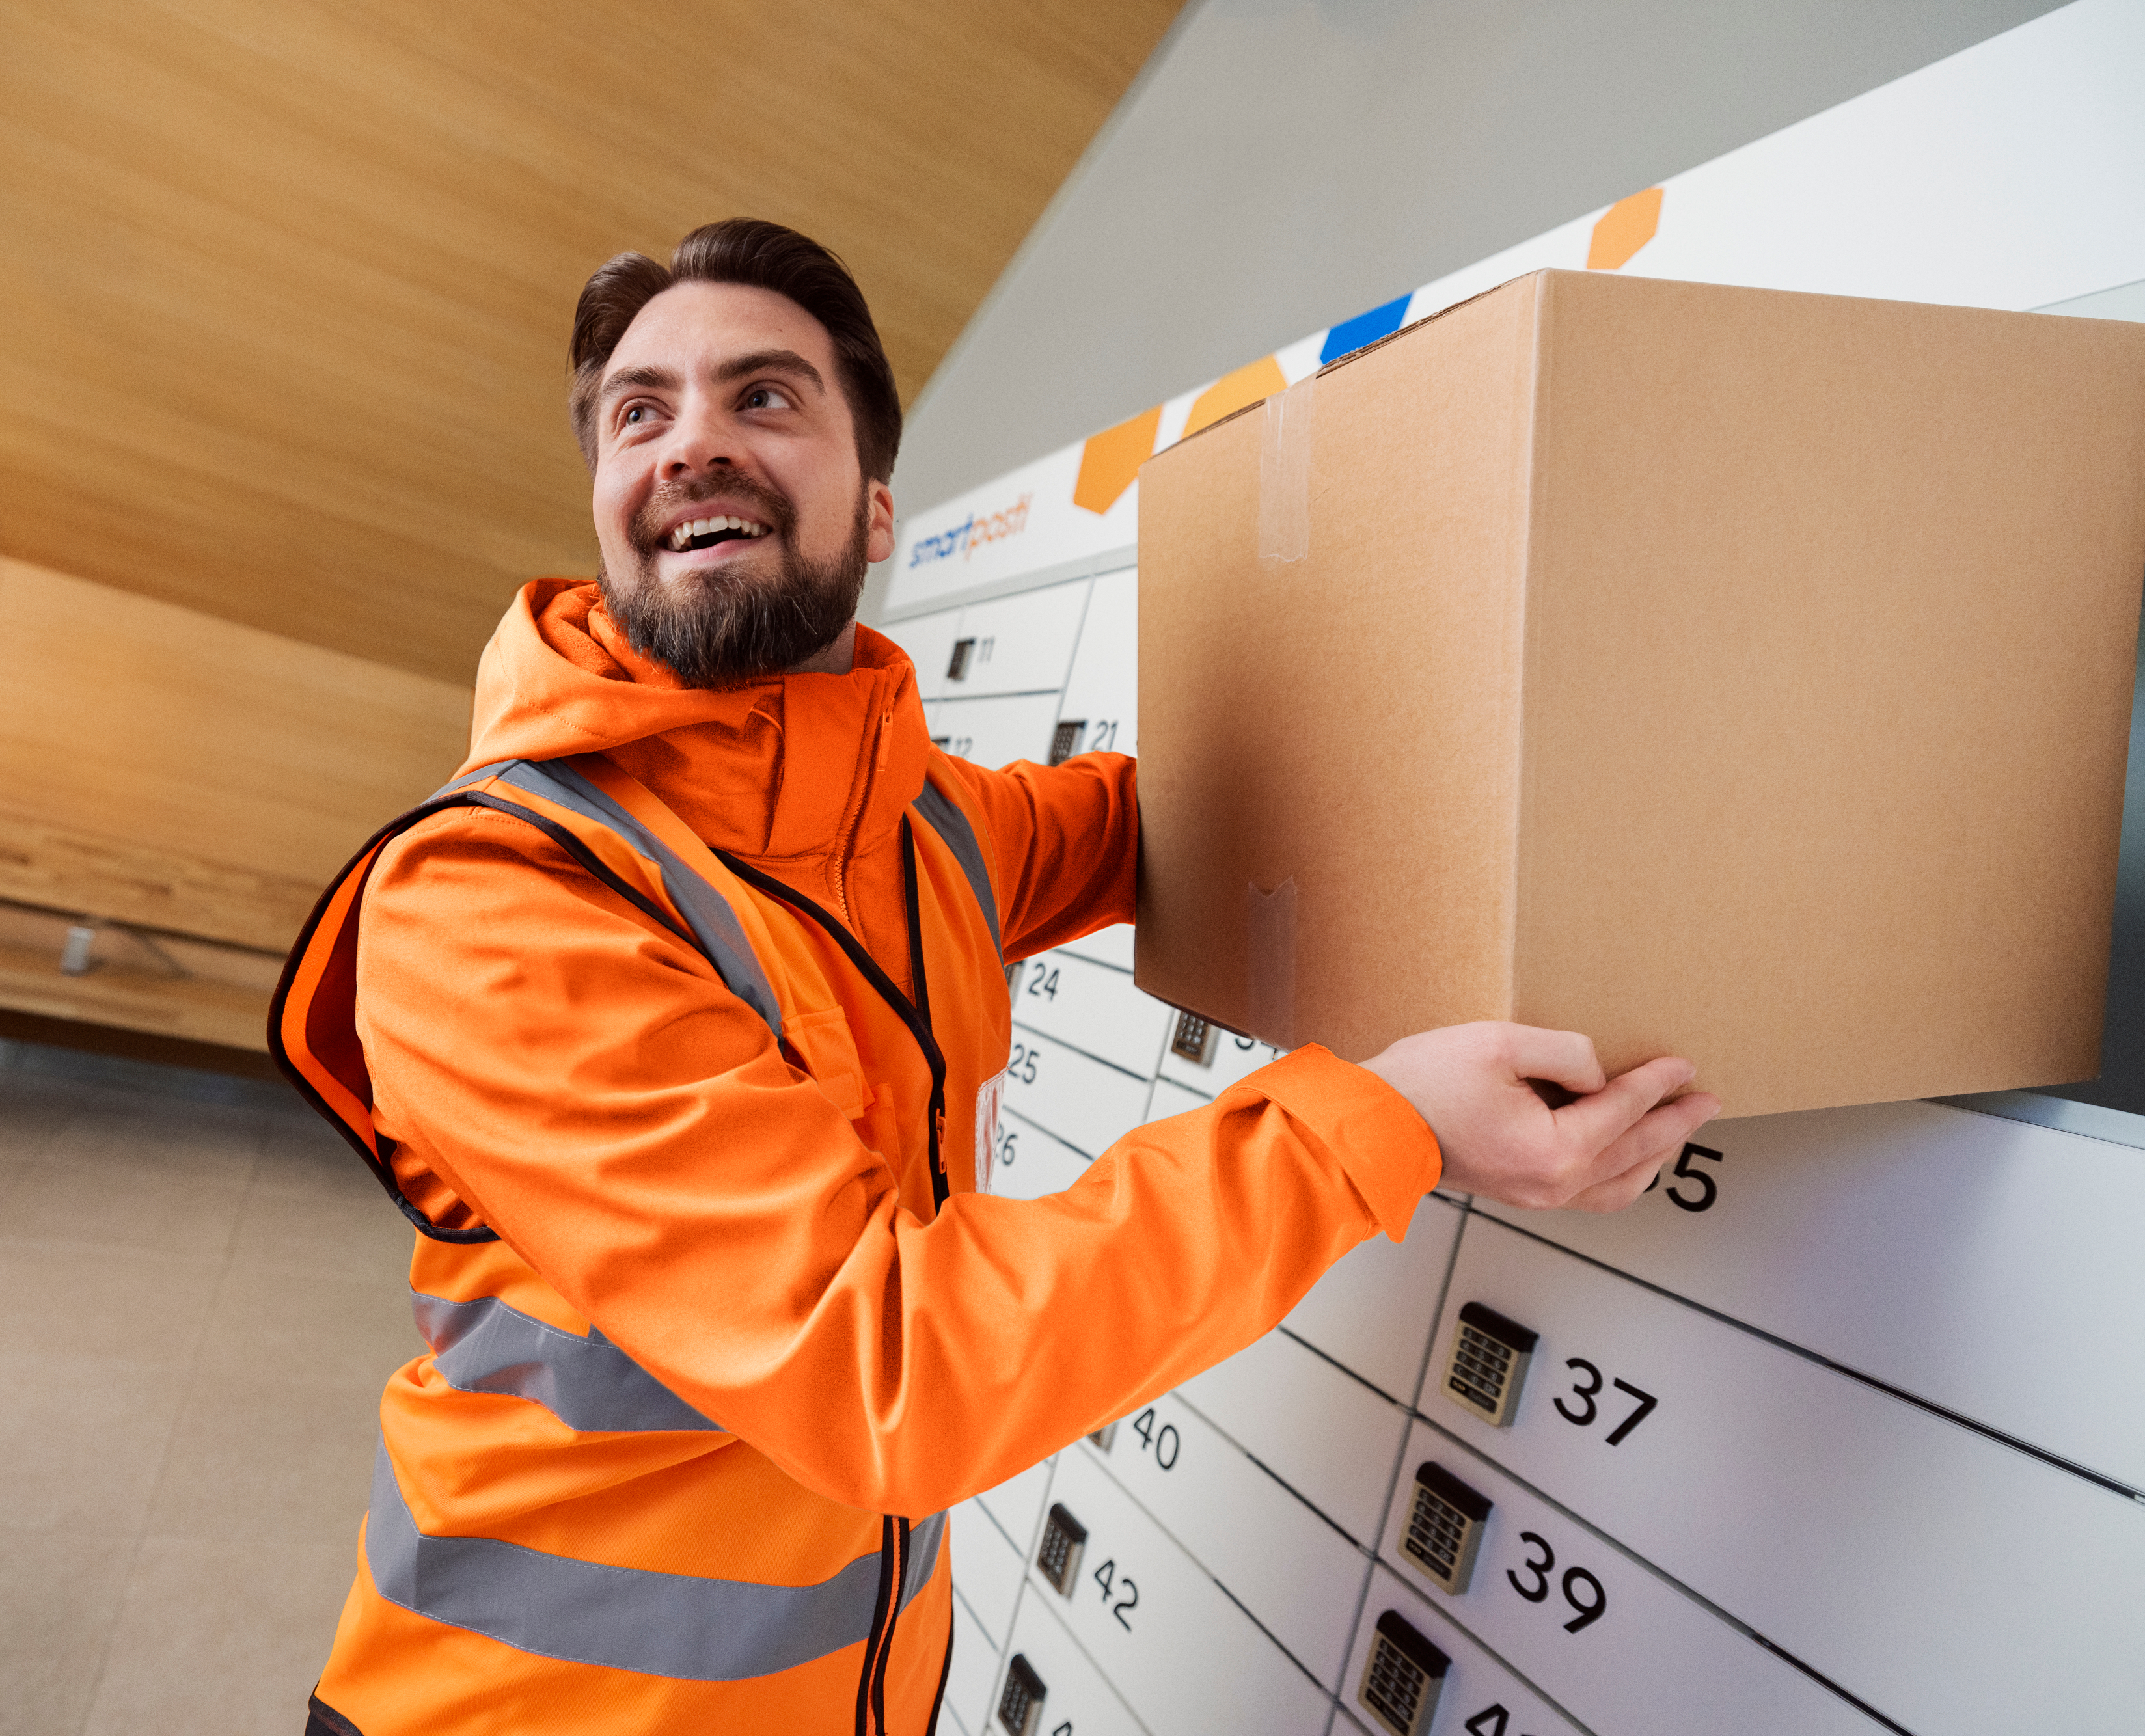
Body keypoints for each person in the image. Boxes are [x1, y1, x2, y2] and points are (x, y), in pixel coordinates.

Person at [273, 218, 1720, 1735]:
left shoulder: (922, 829)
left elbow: (1176, 810)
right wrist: (1384, 1119)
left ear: (878, 507)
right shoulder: (497, 894)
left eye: (762, 397)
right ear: (604, 500)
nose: (690, 443)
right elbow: (887, 1365)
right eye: (641, 412)